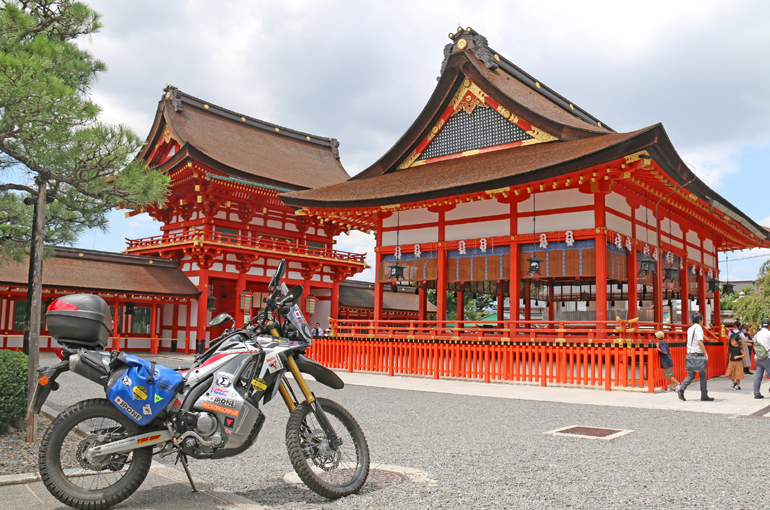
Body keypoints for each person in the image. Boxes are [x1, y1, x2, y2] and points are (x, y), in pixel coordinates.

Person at [677, 312, 713, 401]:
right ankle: (704, 395)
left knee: (691, 374)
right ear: (700, 320)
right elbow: (700, 341)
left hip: (690, 353)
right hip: (697, 353)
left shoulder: (690, 329)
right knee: (703, 374)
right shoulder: (699, 329)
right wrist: (705, 353)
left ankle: (681, 388)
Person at [752, 318, 770, 399]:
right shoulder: (769, 334)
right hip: (767, 358)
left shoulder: (756, 335)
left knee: (758, 376)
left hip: (757, 357)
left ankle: (756, 393)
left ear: (762, 325)